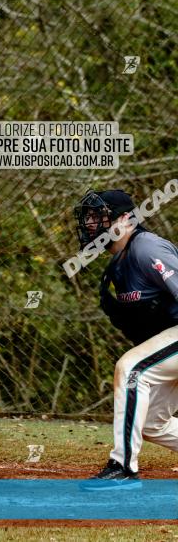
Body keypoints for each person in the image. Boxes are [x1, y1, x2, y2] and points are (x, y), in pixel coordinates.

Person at [73, 190, 178, 490]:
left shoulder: (146, 249)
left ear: (125, 220)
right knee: (149, 423)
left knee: (131, 369)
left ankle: (123, 468)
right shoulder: (116, 268)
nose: (91, 224)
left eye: (99, 216)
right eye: (89, 218)